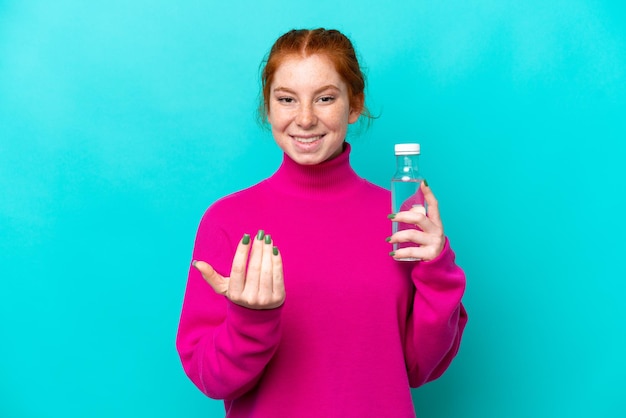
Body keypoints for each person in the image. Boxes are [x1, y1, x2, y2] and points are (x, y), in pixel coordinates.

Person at [176, 28, 468, 418]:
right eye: (286, 100)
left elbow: (419, 367)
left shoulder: (400, 220)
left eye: (325, 98)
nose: (306, 118)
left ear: (354, 105)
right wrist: (250, 320)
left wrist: (438, 269)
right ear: (269, 107)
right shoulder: (228, 221)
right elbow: (213, 380)